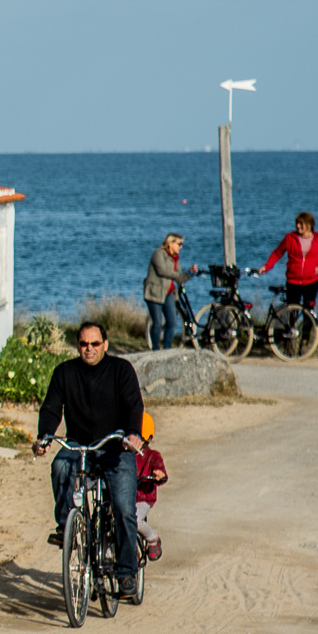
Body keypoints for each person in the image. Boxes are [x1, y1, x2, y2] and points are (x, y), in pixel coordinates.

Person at [34, 321, 143, 591]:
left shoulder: (121, 370)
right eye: (84, 344)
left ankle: (127, 572)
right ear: (77, 346)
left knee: (124, 509)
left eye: (95, 344)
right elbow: (50, 409)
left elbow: (133, 405)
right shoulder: (64, 372)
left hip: (116, 448)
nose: (89, 349)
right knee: (60, 466)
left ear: (105, 344)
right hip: (79, 446)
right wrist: (45, 436)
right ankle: (65, 527)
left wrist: (133, 434)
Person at [260, 212, 318, 310]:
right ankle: (292, 326)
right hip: (293, 282)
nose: (298, 226)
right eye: (297, 223)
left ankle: (309, 325)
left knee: (309, 312)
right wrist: (266, 267)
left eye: (301, 224)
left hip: (311, 282)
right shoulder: (290, 238)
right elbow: (277, 253)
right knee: (292, 312)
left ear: (309, 225)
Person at [143, 233, 199, 350]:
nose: (181, 247)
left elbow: (179, 279)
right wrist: (179, 274)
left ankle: (167, 348)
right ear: (170, 243)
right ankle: (155, 349)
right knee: (157, 323)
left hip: (168, 293)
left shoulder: (175, 258)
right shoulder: (158, 253)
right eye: (179, 244)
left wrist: (189, 273)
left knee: (172, 322)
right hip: (154, 293)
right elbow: (162, 271)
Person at [130, 411, 166, 561]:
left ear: (148, 438)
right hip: (125, 497)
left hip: (143, 498)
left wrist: (159, 474)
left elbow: (161, 471)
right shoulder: (124, 455)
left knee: (135, 519)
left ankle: (152, 538)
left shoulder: (153, 456)